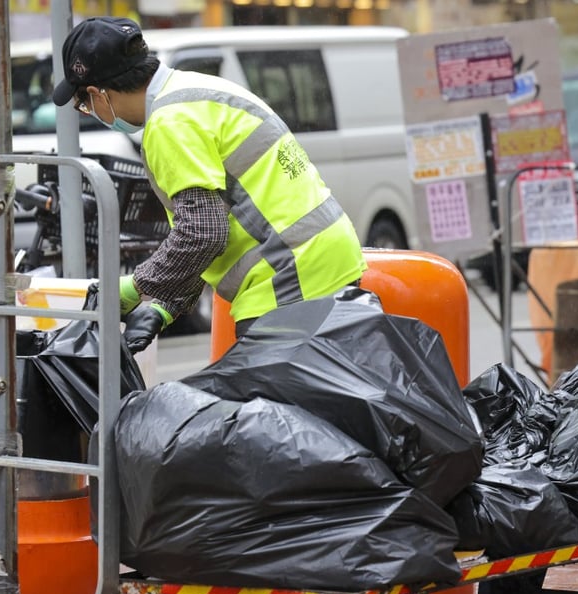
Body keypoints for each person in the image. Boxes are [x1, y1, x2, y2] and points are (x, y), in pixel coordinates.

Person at [52, 16, 367, 355]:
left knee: (279, 404)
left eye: (84, 103)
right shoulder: (196, 91)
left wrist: (135, 285)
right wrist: (164, 306)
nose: (87, 111)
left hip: (288, 281)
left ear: (100, 93)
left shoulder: (169, 123)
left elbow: (204, 232)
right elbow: (225, 220)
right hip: (327, 260)